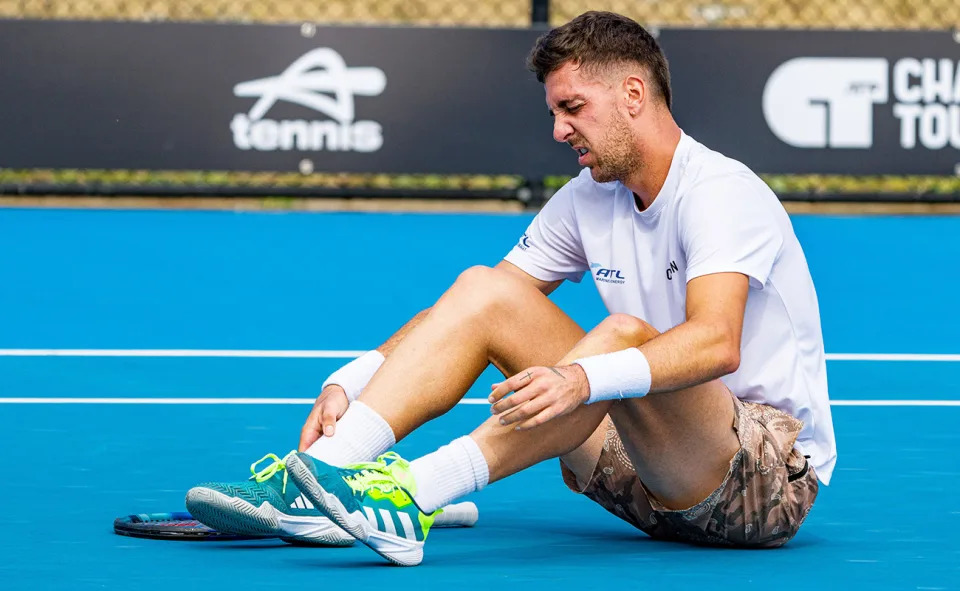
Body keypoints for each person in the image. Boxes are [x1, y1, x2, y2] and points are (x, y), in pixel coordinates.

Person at [190, 10, 836, 566]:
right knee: (483, 288)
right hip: (642, 477)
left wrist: (581, 380)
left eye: (572, 108)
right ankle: (325, 479)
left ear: (634, 94)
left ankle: (408, 496)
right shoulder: (588, 198)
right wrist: (349, 380)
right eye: (556, 111)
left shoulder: (720, 192)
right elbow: (468, 313)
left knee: (620, 338)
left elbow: (717, 343)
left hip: (758, 486)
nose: (559, 130)